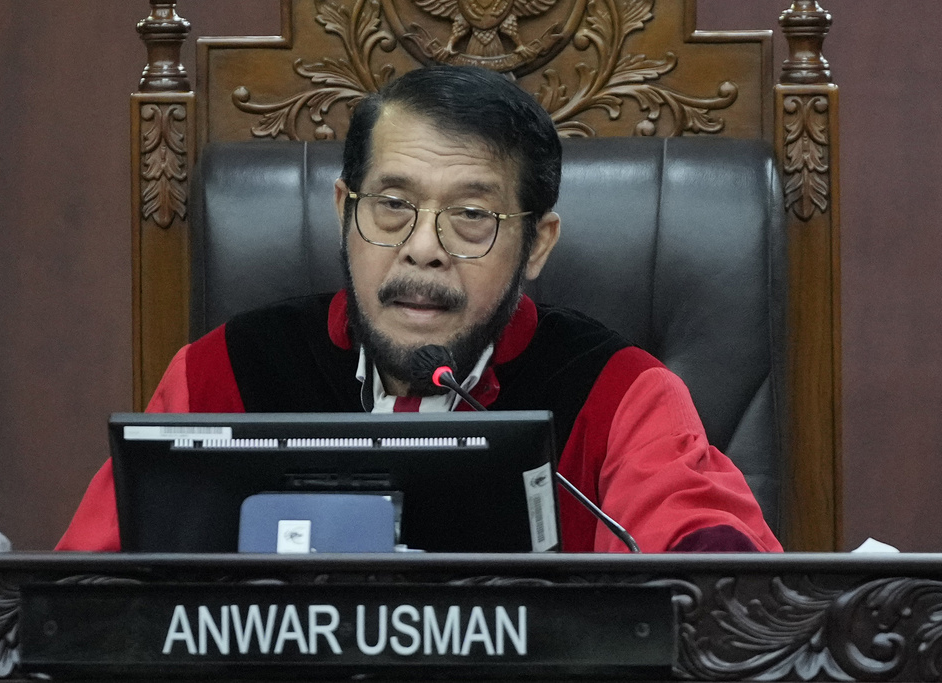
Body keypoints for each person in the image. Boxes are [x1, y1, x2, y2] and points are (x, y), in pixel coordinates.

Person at [57, 65, 781, 553]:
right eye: (393, 205)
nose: (423, 249)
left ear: (536, 245)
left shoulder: (619, 396)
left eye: (471, 215)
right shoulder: (220, 379)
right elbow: (80, 601)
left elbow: (724, 590)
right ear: (345, 212)